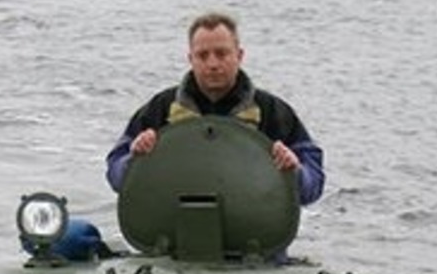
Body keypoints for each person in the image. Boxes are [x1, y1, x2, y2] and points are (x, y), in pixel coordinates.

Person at [105, 12, 325, 205]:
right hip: (172, 234)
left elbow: (314, 185)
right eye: (203, 55)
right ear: (190, 59)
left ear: (239, 56)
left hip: (257, 241)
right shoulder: (160, 109)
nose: (212, 64)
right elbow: (115, 173)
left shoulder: (274, 112)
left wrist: (294, 171)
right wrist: (133, 161)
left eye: (221, 54)